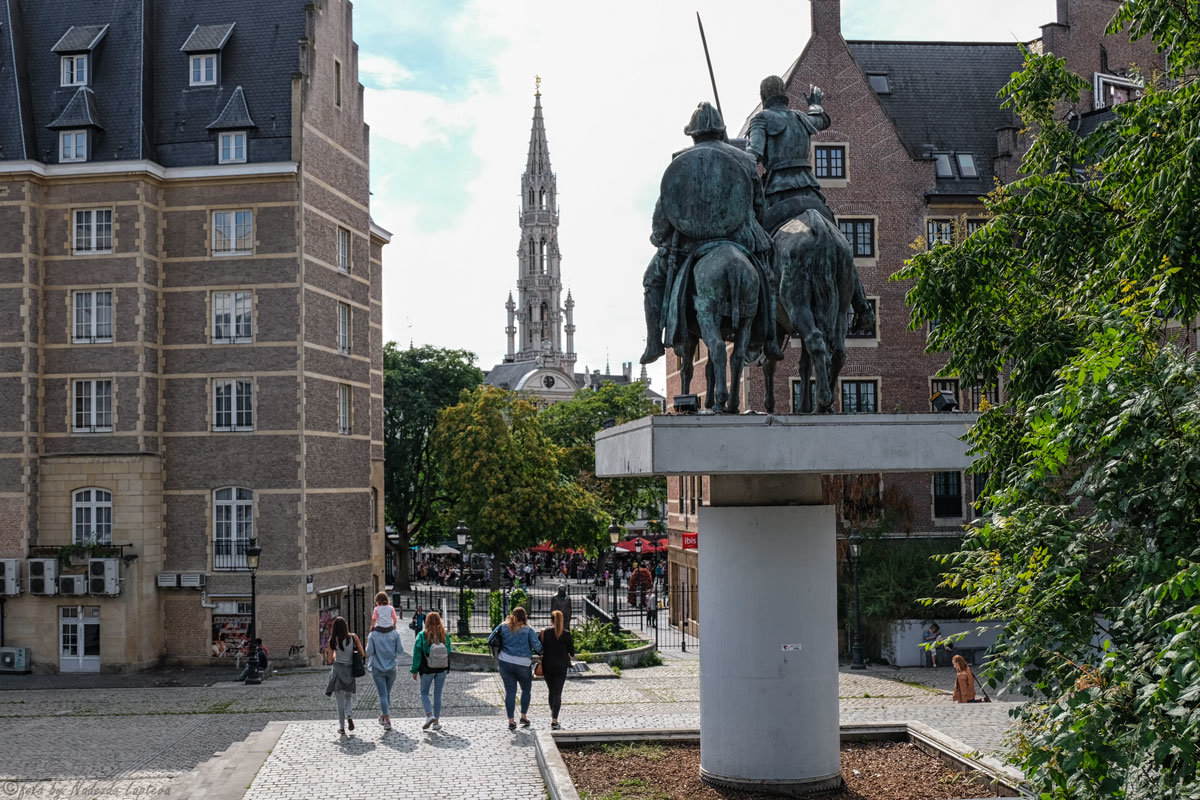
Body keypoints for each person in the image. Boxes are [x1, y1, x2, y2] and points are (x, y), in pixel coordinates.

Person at [640, 101, 780, 365]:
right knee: (769, 280)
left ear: (692, 135)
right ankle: (769, 338)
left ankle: (654, 343)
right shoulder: (746, 160)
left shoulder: (680, 161)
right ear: (720, 131)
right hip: (741, 239)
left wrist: (659, 237)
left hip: (689, 244)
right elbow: (759, 204)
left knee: (651, 281)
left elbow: (665, 208)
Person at [491, 606, 542, 730]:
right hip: (523, 663)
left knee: (510, 692)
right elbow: (538, 647)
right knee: (526, 690)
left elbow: (490, 639)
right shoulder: (528, 630)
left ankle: (511, 720)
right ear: (525, 617)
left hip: (505, 661)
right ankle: (523, 716)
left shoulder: (503, 626)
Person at [411, 611, 453, 730]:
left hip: (427, 668)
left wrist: (414, 669)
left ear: (426, 622)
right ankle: (436, 722)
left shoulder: (422, 635)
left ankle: (429, 715)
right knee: (438, 693)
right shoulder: (445, 635)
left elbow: (417, 654)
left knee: (424, 693)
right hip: (442, 667)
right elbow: (448, 650)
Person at [324, 616, 365, 736]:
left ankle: (342, 727)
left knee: (339, 701)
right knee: (348, 697)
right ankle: (350, 716)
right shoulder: (353, 637)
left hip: (338, 671)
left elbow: (330, 660)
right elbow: (362, 653)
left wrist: (336, 655)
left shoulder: (332, 640)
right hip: (350, 671)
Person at [539, 610, 575, 730]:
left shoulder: (545, 633)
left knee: (551, 691)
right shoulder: (566, 634)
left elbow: (538, 649)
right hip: (561, 666)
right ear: (562, 620)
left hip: (547, 666)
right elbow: (572, 652)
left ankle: (553, 715)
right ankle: (554, 720)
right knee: (558, 692)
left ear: (551, 620)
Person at [366, 623, 404, 730]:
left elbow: (369, 651)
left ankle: (387, 720)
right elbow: (401, 650)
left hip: (377, 668)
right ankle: (383, 715)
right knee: (387, 694)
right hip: (392, 668)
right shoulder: (395, 634)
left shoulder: (372, 635)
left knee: (383, 695)